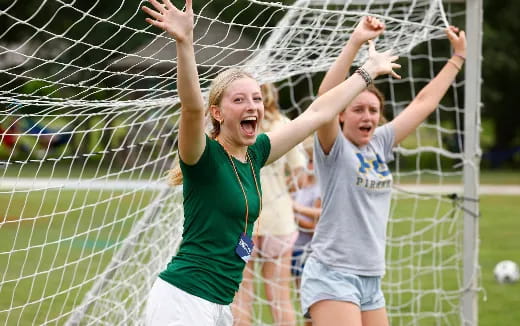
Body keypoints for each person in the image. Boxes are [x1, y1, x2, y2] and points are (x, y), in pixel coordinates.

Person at [141, 1, 400, 325]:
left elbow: (318, 113)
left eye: (256, 98)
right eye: (239, 100)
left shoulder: (256, 153)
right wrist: (184, 43)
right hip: (184, 299)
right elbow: (192, 108)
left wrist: (367, 71)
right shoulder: (202, 156)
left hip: (219, 303)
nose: (252, 106)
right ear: (218, 113)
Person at [299, 16, 466, 326]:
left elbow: (423, 102)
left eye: (373, 110)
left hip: (371, 279)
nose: (367, 116)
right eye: (358, 109)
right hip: (333, 274)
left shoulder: (380, 142)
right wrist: (355, 42)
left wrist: (457, 58)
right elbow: (325, 99)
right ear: (341, 116)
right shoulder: (333, 146)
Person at [232, 83, 306, 326]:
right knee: (280, 298)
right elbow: (301, 175)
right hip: (280, 226)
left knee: (242, 295)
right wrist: (282, 186)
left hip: (246, 228)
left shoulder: (236, 125)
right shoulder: (283, 125)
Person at [290, 137, 321, 326]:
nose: (308, 164)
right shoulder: (300, 184)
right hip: (295, 251)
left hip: (309, 253)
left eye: (311, 160)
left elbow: (315, 228)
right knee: (304, 305)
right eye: (306, 160)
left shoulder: (320, 189)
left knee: (312, 307)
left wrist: (293, 213)